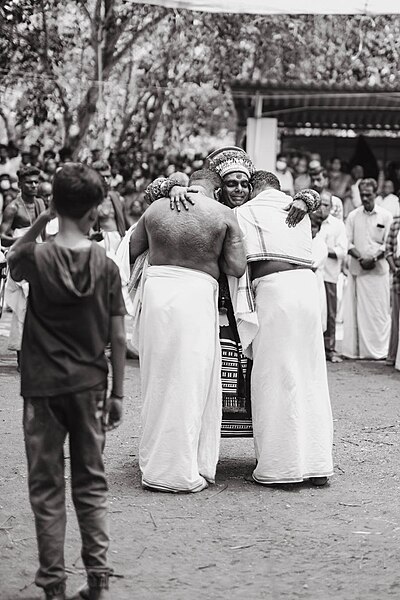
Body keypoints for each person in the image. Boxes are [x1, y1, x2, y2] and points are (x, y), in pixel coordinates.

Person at [7, 162, 126, 600]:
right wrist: (117, 393)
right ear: (97, 209)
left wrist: (44, 216)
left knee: (46, 484)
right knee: (91, 482)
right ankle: (97, 579)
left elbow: (13, 257)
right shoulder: (105, 264)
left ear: (55, 203)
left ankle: (53, 584)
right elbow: (117, 334)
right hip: (90, 385)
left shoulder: (36, 257)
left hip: (42, 386)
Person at [130, 168, 246, 493]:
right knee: (191, 380)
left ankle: (154, 466)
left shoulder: (155, 209)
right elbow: (237, 266)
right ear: (218, 190)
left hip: (157, 293)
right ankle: (180, 471)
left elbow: (133, 250)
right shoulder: (223, 214)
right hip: (196, 293)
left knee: (158, 377)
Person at [231, 171, 333, 486]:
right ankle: (317, 466)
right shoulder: (298, 205)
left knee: (273, 378)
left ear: (257, 188)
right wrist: (306, 196)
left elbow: (235, 263)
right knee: (310, 376)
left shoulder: (243, 212)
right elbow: (315, 196)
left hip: (275, 292)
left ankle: (279, 469)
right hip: (307, 289)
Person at [342, 178, 393, 360]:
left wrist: (374, 258)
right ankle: (360, 352)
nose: (365, 198)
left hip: (379, 271)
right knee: (359, 314)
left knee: (379, 313)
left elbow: (389, 242)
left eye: (368, 194)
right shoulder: (353, 216)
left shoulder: (386, 216)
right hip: (359, 270)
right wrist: (361, 257)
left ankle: (379, 351)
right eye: (362, 194)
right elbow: (345, 241)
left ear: (375, 193)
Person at [0, 166, 45, 366]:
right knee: (22, 306)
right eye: (29, 182)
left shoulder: (41, 203)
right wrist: (20, 240)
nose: (34, 185)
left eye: (36, 181)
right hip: (19, 259)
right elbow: (2, 235)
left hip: (38, 257)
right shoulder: (13, 208)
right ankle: (21, 358)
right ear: (19, 185)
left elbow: (44, 234)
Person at [315, 190, 348, 362]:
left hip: (329, 274)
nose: (322, 208)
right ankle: (315, 348)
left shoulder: (337, 225)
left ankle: (329, 349)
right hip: (311, 275)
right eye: (319, 204)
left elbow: (343, 250)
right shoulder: (309, 221)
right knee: (313, 312)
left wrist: (323, 250)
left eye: (326, 205)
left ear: (332, 207)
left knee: (330, 314)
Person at [92, 161, 127, 257]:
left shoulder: (117, 198)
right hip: (100, 244)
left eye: (108, 176)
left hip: (119, 243)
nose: (106, 180)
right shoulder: (89, 200)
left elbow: (126, 224)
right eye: (102, 177)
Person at [384, 215, 400, 366]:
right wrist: (395, 268)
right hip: (397, 277)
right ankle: (393, 356)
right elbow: (388, 250)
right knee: (396, 318)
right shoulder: (395, 224)